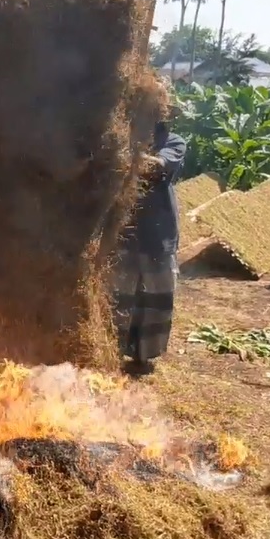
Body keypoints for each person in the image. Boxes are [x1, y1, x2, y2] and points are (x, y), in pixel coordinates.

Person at [114, 97, 187, 374]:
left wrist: (123, 154)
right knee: (120, 295)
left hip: (159, 233)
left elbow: (158, 166)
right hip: (125, 231)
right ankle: (113, 350)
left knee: (156, 295)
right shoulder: (125, 140)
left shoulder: (174, 143)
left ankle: (143, 356)